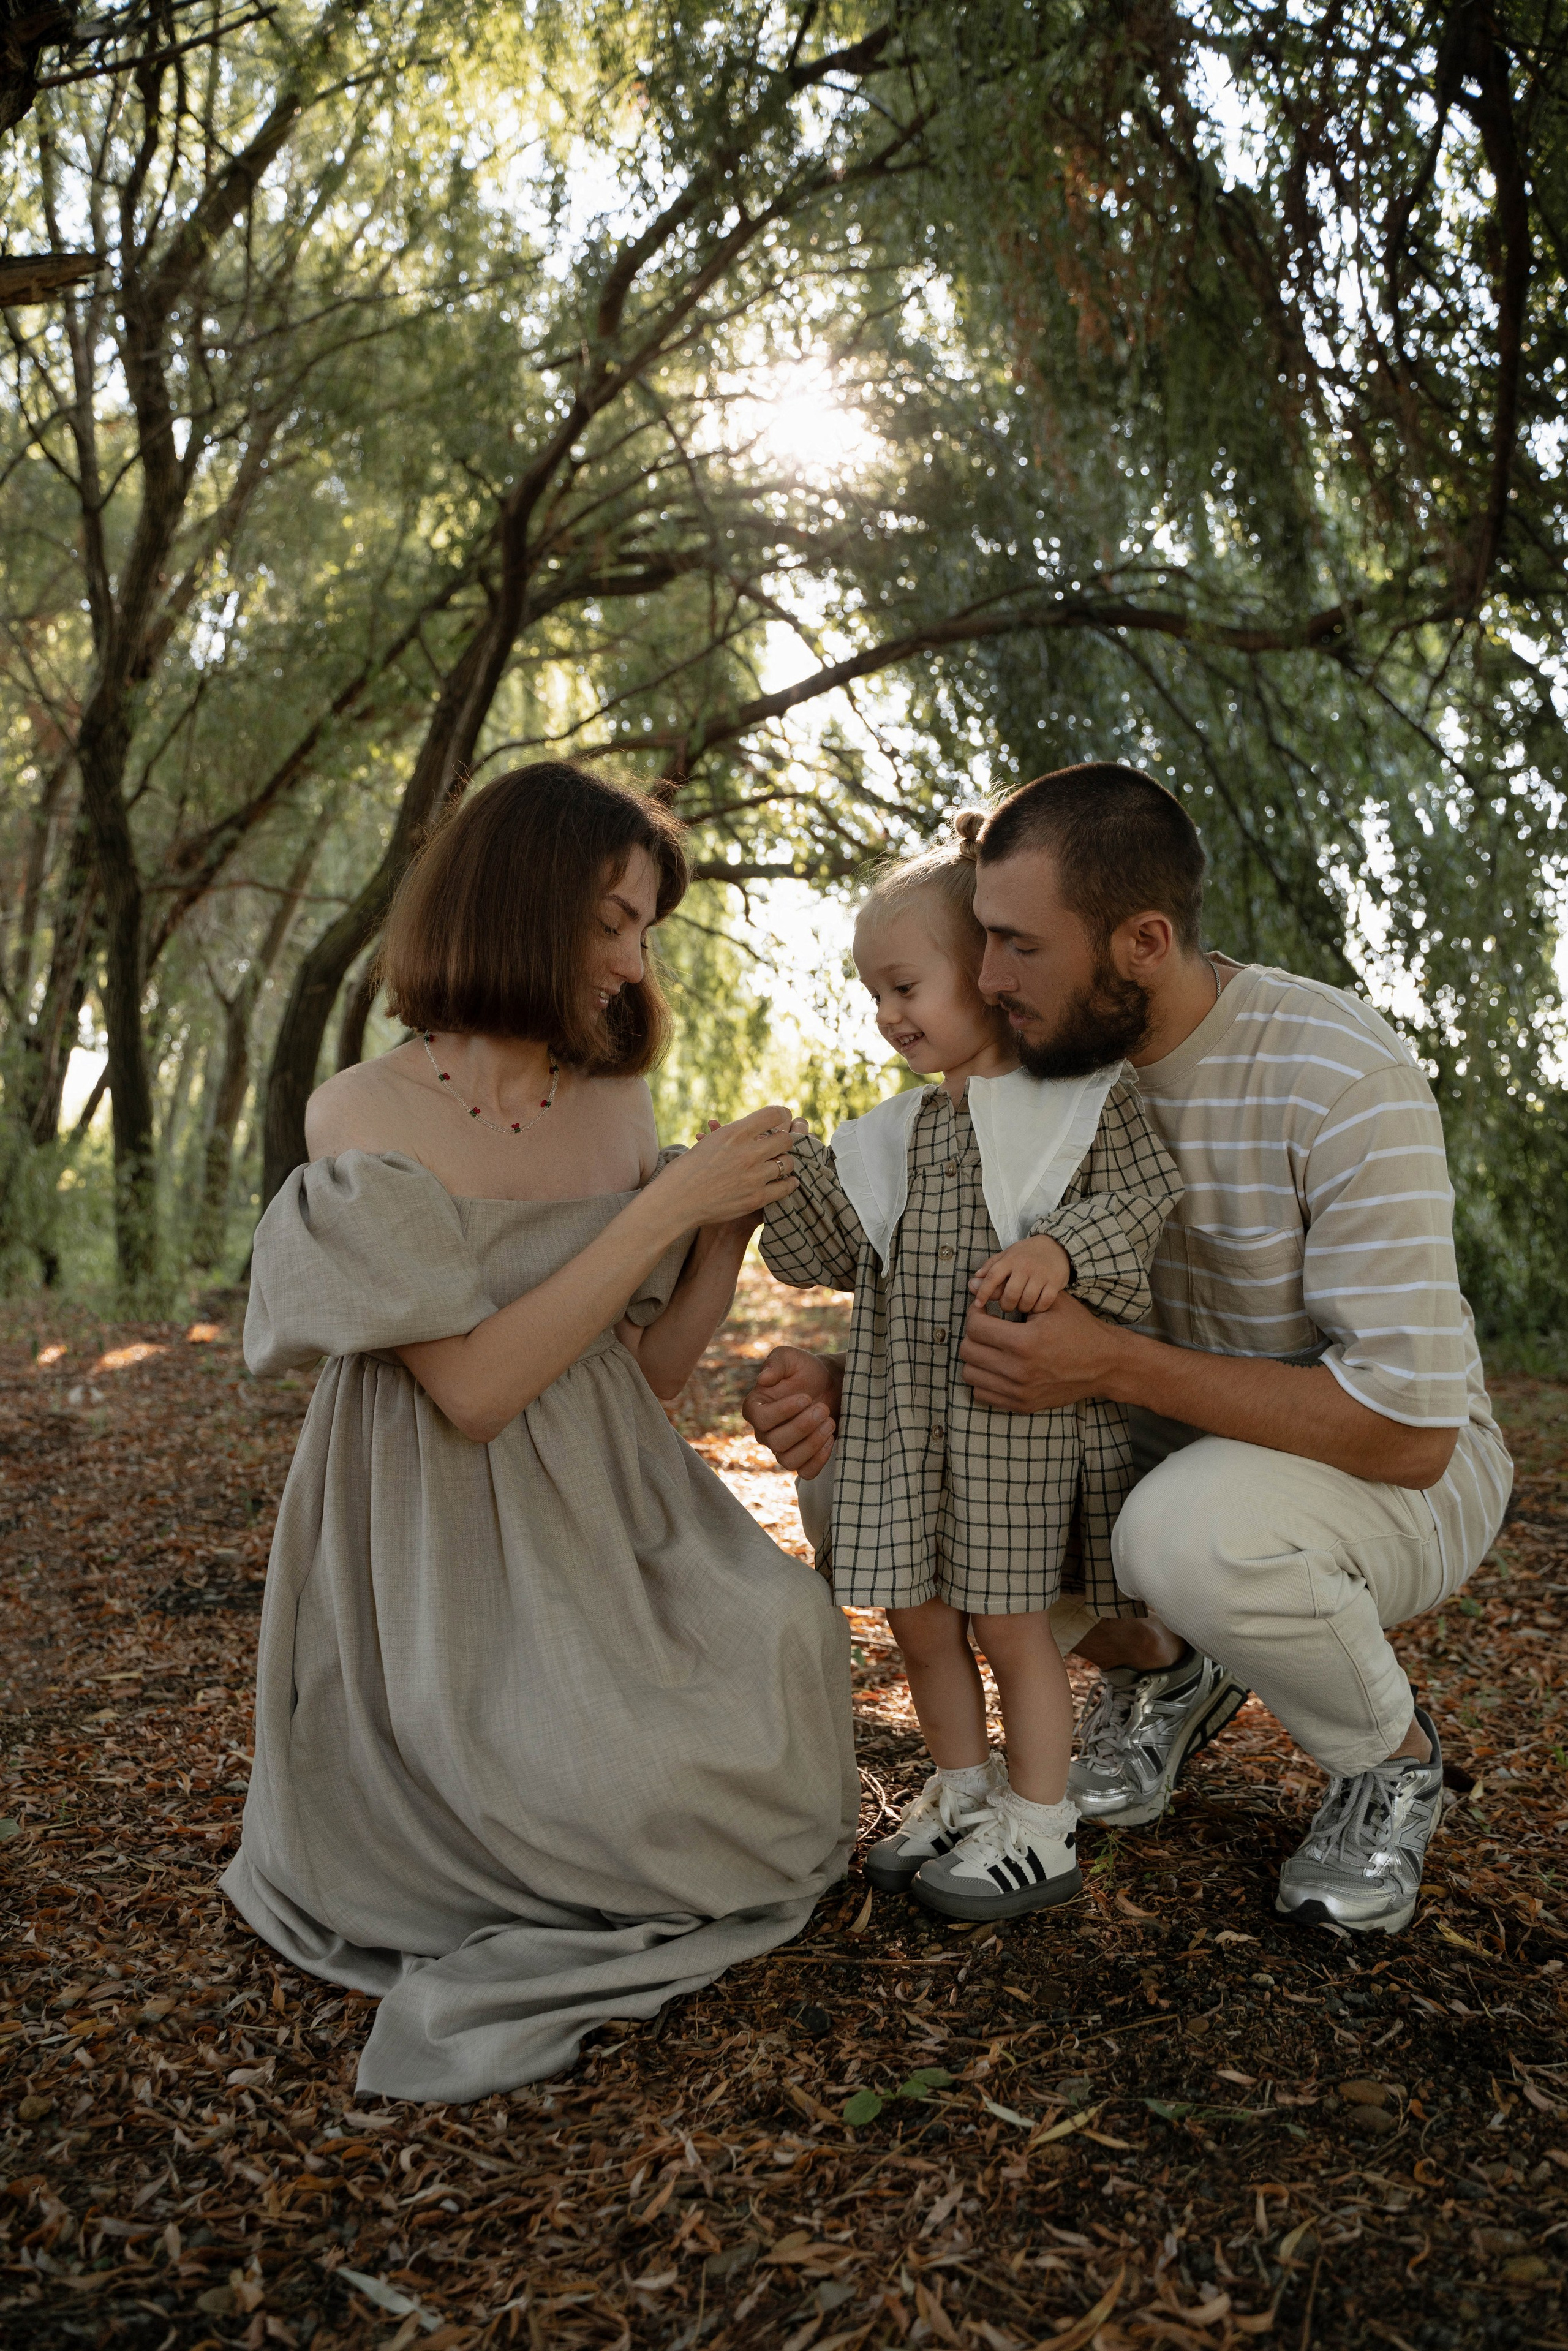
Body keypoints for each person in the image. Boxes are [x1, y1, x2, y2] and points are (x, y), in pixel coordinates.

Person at [745, 763, 1512, 1936]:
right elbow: (989, 1293)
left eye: (1016, 946)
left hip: (1391, 1465)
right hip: (1146, 1436)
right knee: (861, 1490)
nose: (987, 978)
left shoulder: (1337, 1074)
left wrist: (1105, 1363)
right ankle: (1164, 1667)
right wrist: (865, 1382)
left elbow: (1408, 1430)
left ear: (1142, 940)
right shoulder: (1040, 1078)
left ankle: (1389, 1762)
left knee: (1187, 1529)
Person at [224, 761, 856, 2102]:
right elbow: (472, 1387)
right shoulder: (361, 1115)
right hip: (430, 1534)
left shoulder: (613, 1106)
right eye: (610, 921)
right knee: (586, 1781)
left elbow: (640, 1377)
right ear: (520, 908)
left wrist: (716, 1235)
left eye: (644, 931)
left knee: (788, 1642)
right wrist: (660, 1202)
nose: (632, 966)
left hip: (600, 1505)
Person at [758, 835, 1181, 1922]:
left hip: (1013, 1431)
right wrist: (768, 1168)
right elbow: (820, 1252)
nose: (888, 1014)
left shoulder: (1083, 1104)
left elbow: (1142, 1195)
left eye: (905, 985)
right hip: (910, 1428)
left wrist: (1064, 1248)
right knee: (921, 1618)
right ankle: (963, 1788)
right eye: (874, 994)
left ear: (989, 977)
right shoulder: (897, 1133)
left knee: (1009, 1623)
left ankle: (1041, 1825)